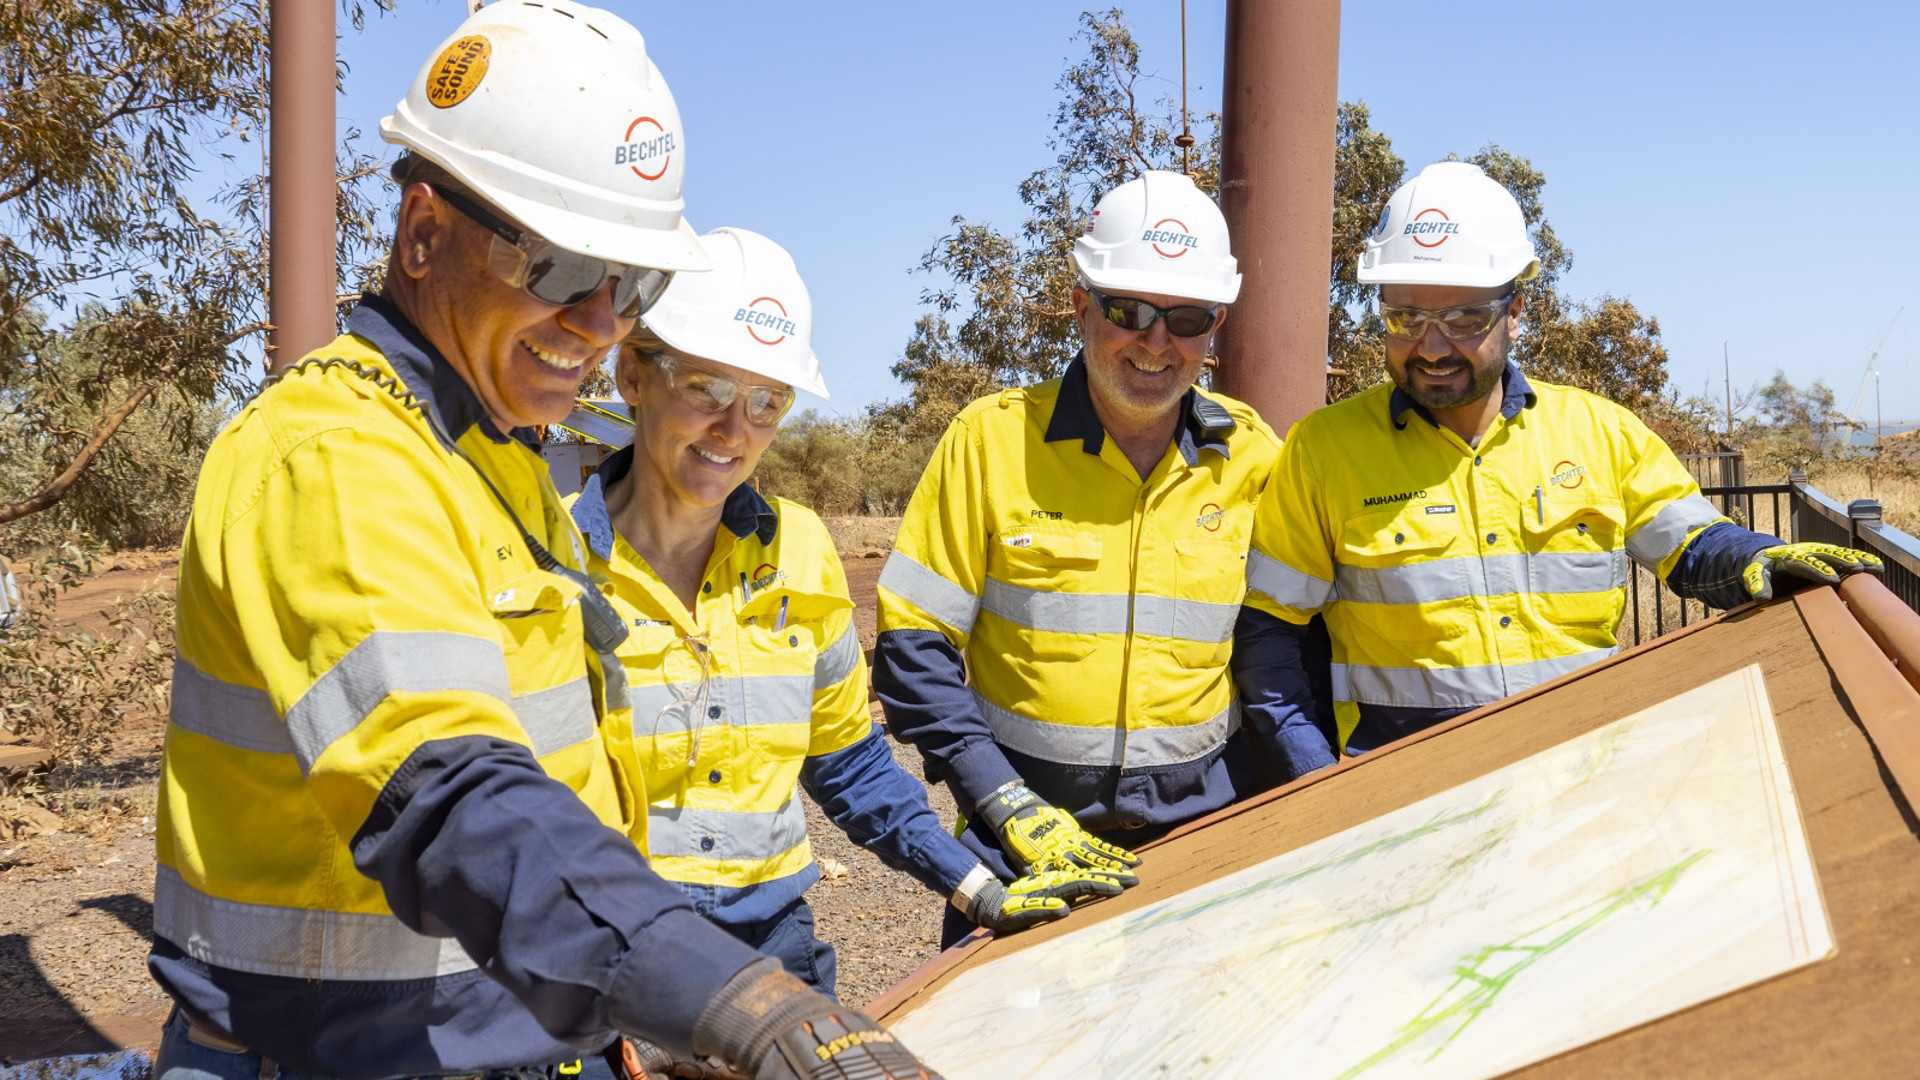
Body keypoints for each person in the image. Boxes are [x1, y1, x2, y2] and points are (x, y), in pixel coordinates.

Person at [149, 5, 941, 1080]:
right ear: (423, 233)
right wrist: (734, 1000)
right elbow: (452, 795)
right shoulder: (338, 457)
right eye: (563, 270)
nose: (602, 325)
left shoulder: (502, 459)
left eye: (635, 287)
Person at [567, 227, 1130, 1002]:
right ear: (633, 374)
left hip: (773, 952)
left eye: (767, 402)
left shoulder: (799, 550)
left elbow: (848, 764)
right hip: (602, 963)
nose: (735, 430)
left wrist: (980, 887)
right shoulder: (549, 562)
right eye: (707, 390)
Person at [1241, 161, 1882, 773]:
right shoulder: (1322, 451)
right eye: (1405, 318)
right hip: (1409, 793)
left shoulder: (1600, 432)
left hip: (1586, 773)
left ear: (1516, 312)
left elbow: (1694, 545)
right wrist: (1314, 776)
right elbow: (1269, 631)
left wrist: (1757, 558)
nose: (1431, 347)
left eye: (1464, 318)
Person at [874, 170, 1314, 948]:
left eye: (1186, 318)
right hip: (1022, 840)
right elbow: (914, 651)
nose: (1156, 341)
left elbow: (1283, 648)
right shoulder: (991, 442)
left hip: (1205, 835)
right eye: (1128, 311)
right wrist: (1002, 800)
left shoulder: (1252, 457)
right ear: (1081, 305)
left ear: (1214, 326)